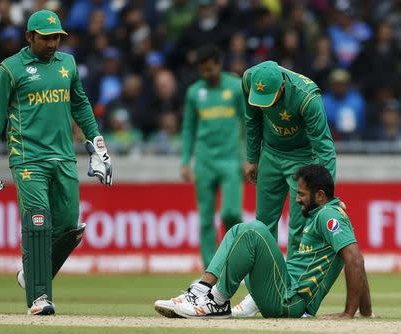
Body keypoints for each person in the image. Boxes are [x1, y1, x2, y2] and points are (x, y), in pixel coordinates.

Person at [0, 9, 112, 316]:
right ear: (29, 37)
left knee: (69, 229)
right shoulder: (10, 69)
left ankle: (32, 274)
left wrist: (97, 143)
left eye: (57, 38)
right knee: (38, 221)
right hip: (27, 158)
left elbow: (82, 105)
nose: (52, 44)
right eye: (46, 38)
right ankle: (40, 298)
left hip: (63, 157)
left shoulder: (68, 64)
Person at [154, 164, 373, 319]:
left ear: (321, 195)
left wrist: (348, 313)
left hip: (292, 303)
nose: (296, 199)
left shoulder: (329, 216)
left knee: (255, 230)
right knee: (239, 229)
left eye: (302, 195)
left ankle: (217, 301)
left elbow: (355, 260)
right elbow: (354, 260)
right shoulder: (323, 213)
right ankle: (202, 291)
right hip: (283, 288)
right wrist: (365, 311)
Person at [234, 60, 337, 316]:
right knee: (261, 226)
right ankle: (258, 294)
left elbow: (325, 148)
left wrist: (326, 191)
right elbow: (252, 119)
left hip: (303, 158)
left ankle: (292, 292)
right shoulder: (248, 81)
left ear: (282, 85)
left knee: (298, 230)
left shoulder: (307, 98)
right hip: (269, 153)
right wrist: (251, 157)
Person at [180, 44, 246, 269]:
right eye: (203, 70)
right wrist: (185, 161)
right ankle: (212, 270)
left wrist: (248, 157)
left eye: (210, 69)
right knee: (206, 219)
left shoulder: (236, 87)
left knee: (231, 213)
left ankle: (235, 262)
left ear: (219, 64)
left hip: (230, 160)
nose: (207, 74)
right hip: (204, 161)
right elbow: (188, 128)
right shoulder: (194, 92)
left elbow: (248, 125)